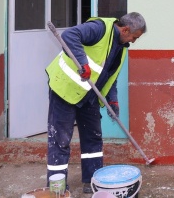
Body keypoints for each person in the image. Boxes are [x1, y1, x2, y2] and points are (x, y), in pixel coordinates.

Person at [43, 12, 147, 194]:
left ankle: (92, 181)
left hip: (89, 96)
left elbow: (109, 75)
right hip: (65, 90)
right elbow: (69, 35)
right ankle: (57, 189)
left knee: (93, 138)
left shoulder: (121, 46)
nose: (134, 41)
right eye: (134, 36)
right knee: (60, 139)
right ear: (125, 29)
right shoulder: (99, 29)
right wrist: (83, 63)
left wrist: (112, 99)